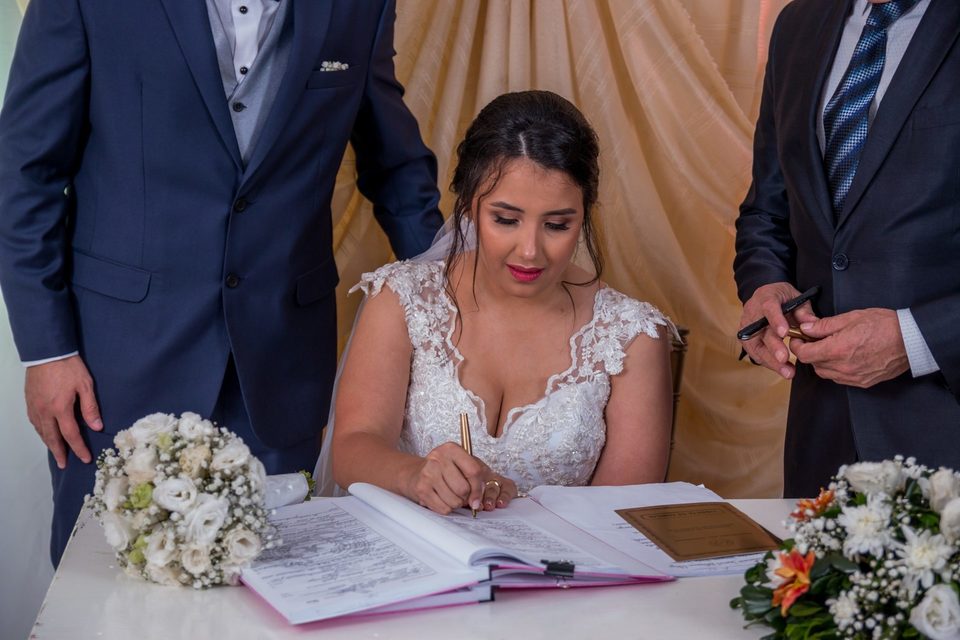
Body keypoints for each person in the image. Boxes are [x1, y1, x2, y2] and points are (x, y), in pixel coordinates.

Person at [0, 0, 443, 565]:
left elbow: (396, 166)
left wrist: (451, 307)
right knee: (105, 579)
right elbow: (25, 175)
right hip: (115, 367)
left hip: (282, 369)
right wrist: (48, 351)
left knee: (277, 578)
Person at [316, 91, 675, 514]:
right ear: (469, 205)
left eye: (557, 225)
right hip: (410, 548)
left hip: (567, 555)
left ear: (585, 213)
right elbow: (353, 448)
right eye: (506, 219)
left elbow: (624, 511)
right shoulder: (403, 299)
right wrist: (413, 475)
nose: (530, 251)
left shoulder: (632, 335)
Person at [734, 0, 960, 498]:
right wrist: (765, 285)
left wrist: (916, 338)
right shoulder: (797, 24)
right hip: (821, 438)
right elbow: (767, 209)